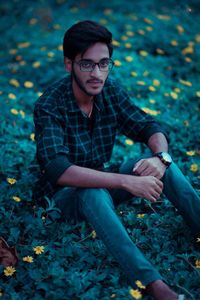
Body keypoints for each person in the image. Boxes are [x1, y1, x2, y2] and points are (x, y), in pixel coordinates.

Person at [33, 20, 199, 300]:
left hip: (103, 177)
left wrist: (161, 159)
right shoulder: (49, 106)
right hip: (62, 199)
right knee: (94, 193)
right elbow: (58, 170)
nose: (97, 73)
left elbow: (149, 126)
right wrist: (127, 182)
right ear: (68, 64)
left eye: (104, 63)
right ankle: (154, 285)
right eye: (87, 64)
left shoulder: (109, 90)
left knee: (159, 165)